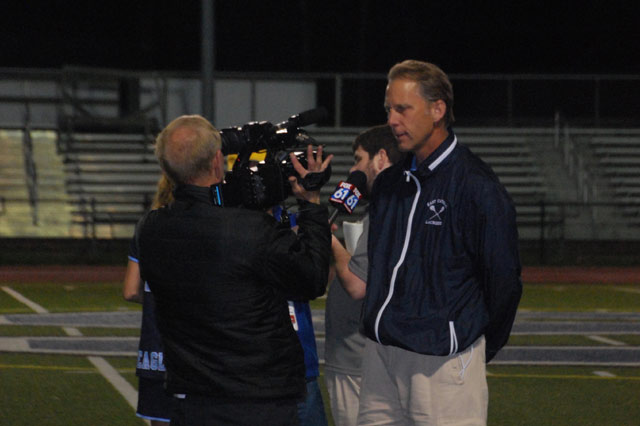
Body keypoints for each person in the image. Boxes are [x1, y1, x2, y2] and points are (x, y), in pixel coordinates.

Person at [134, 115, 332, 426]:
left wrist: (232, 142)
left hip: (194, 401)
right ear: (216, 161)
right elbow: (312, 278)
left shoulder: (151, 229)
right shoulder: (249, 229)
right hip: (261, 402)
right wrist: (311, 204)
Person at [357, 60, 522, 425]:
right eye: (389, 109)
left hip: (441, 362)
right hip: (381, 353)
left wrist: (473, 343)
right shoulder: (389, 183)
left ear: (437, 110)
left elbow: (504, 281)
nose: (392, 120)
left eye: (403, 108)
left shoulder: (477, 186)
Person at [324, 124, 404, 426]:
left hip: (359, 360)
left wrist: (329, 241)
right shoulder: (402, 203)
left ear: (381, 158)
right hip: (379, 357)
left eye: (359, 159)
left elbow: (358, 285)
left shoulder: (387, 208)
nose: (354, 169)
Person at [123, 174, 174, 426]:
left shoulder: (146, 226)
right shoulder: (206, 224)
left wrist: (156, 299)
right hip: (200, 355)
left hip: (154, 353)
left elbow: (131, 291)